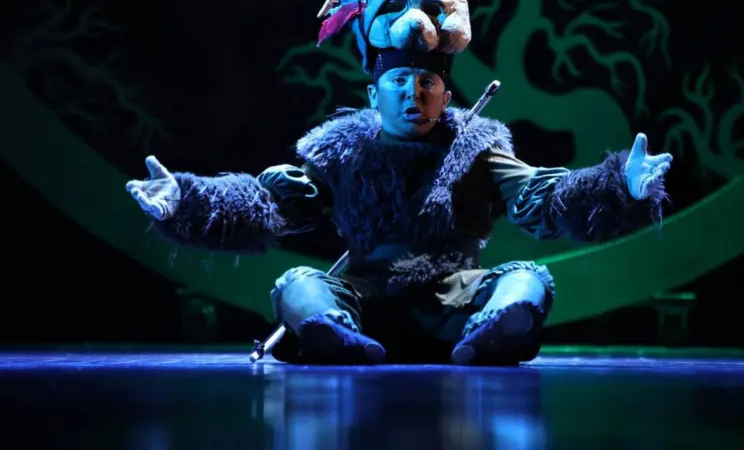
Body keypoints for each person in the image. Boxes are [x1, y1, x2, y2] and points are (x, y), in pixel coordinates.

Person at [126, 47, 673, 366]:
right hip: (363, 296)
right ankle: (333, 332)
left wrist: (619, 185)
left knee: (526, 278)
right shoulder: (343, 150)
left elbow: (544, 195)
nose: (414, 93)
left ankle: (492, 330)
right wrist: (187, 200)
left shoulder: (477, 147)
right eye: (400, 81)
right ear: (374, 95)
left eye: (427, 82)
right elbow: (268, 203)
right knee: (296, 284)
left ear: (446, 96)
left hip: (455, 300)